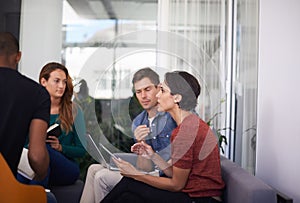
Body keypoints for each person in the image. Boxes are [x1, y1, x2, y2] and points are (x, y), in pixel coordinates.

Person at [101, 71, 225, 203]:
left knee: (129, 183)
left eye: (162, 91)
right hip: (194, 196)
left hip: (200, 199)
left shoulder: (186, 132)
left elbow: (176, 185)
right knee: (128, 197)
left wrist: (136, 174)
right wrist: (153, 155)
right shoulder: (189, 124)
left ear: (177, 98)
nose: (158, 95)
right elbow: (176, 175)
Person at [80, 67, 177, 203]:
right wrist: (141, 141)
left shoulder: (171, 115)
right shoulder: (138, 122)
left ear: (158, 88)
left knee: (101, 176)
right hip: (149, 171)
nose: (143, 96)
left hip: (164, 175)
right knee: (93, 169)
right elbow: (145, 167)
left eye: (147, 89)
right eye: (138, 92)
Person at [0, 32, 56, 202]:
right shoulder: (37, 94)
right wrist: (41, 173)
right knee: (49, 198)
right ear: (18, 57)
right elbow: (37, 156)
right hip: (4, 190)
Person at [17, 62, 86, 187]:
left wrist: (61, 148)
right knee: (38, 160)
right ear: (44, 82)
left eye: (64, 82)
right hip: (39, 166)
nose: (61, 86)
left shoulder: (74, 110)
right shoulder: (32, 109)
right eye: (57, 81)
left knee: (44, 151)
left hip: (66, 168)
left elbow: (81, 150)